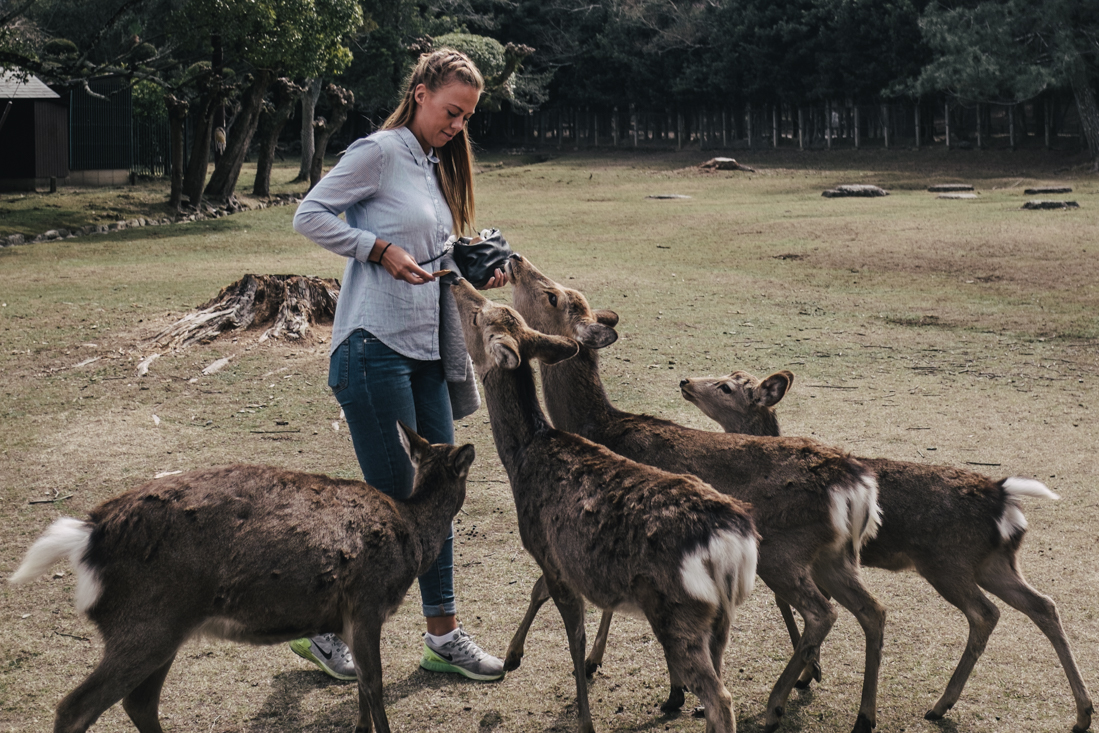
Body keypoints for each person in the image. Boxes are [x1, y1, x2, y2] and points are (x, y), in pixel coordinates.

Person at [290, 48, 506, 682]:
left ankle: (443, 638)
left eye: (466, 117)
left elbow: (429, 252)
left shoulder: (432, 165)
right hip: (372, 348)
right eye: (451, 111)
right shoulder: (378, 152)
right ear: (420, 94)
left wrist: (469, 265)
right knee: (397, 507)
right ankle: (328, 633)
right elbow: (308, 214)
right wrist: (377, 250)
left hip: (425, 354)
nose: (457, 125)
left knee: (436, 500)